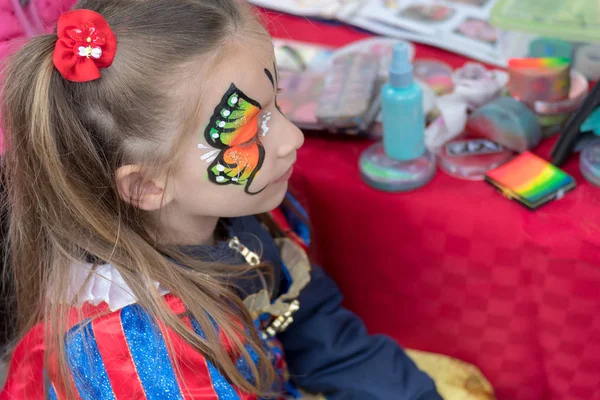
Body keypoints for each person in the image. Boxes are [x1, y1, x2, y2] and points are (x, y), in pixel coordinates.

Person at [0, 1, 442, 398]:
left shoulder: (240, 210)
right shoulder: (137, 356)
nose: (294, 138)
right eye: (251, 130)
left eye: (277, 104)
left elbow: (317, 329)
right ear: (146, 186)